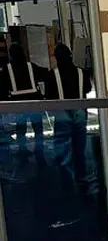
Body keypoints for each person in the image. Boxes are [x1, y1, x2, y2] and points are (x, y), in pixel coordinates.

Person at [44, 43, 93, 193]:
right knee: (80, 147)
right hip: (80, 111)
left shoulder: (52, 75)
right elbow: (88, 89)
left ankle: (67, 181)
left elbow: (49, 96)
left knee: (63, 149)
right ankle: (82, 178)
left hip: (62, 113)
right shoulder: (82, 72)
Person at [3, 42, 46, 161]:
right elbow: (44, 74)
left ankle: (23, 153)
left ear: (11, 54)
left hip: (18, 104)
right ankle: (40, 154)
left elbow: (3, 87)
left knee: (21, 130)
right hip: (34, 102)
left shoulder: (7, 69)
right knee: (38, 130)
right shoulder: (31, 66)